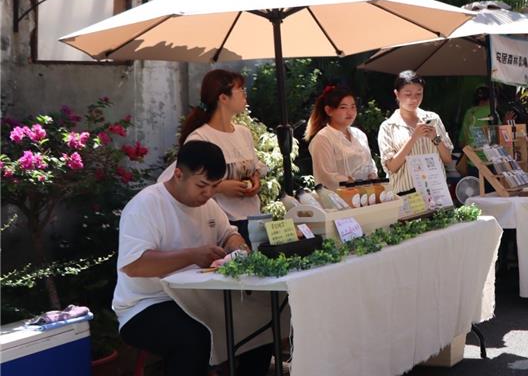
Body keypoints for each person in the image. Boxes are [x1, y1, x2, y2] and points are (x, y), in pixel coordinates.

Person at [114, 141, 272, 376]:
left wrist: (236, 248)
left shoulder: (208, 205)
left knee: (261, 323)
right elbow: (134, 265)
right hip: (146, 305)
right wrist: (192, 255)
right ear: (178, 174)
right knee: (194, 337)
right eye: (202, 185)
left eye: (215, 187)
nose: (208, 194)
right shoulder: (146, 205)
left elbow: (229, 233)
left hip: (197, 299)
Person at [178, 69, 266, 225]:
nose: (245, 95)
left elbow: (254, 167)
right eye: (241, 90)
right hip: (220, 222)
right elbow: (186, 184)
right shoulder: (200, 138)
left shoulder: (243, 132)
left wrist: (255, 179)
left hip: (253, 217)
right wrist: (220, 188)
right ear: (223, 98)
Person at [378, 70, 454, 193]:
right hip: (406, 195)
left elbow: (447, 159)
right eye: (408, 94)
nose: (414, 99)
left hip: (436, 193)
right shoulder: (388, 126)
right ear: (397, 94)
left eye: (419, 93)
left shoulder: (433, 119)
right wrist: (413, 138)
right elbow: (391, 167)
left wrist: (435, 138)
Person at [306, 85, 379, 187]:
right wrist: (352, 182)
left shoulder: (360, 134)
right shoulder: (322, 139)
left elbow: (369, 164)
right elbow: (326, 176)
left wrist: (372, 175)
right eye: (343, 107)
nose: (350, 112)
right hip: (341, 199)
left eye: (353, 107)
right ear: (329, 110)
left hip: (367, 196)